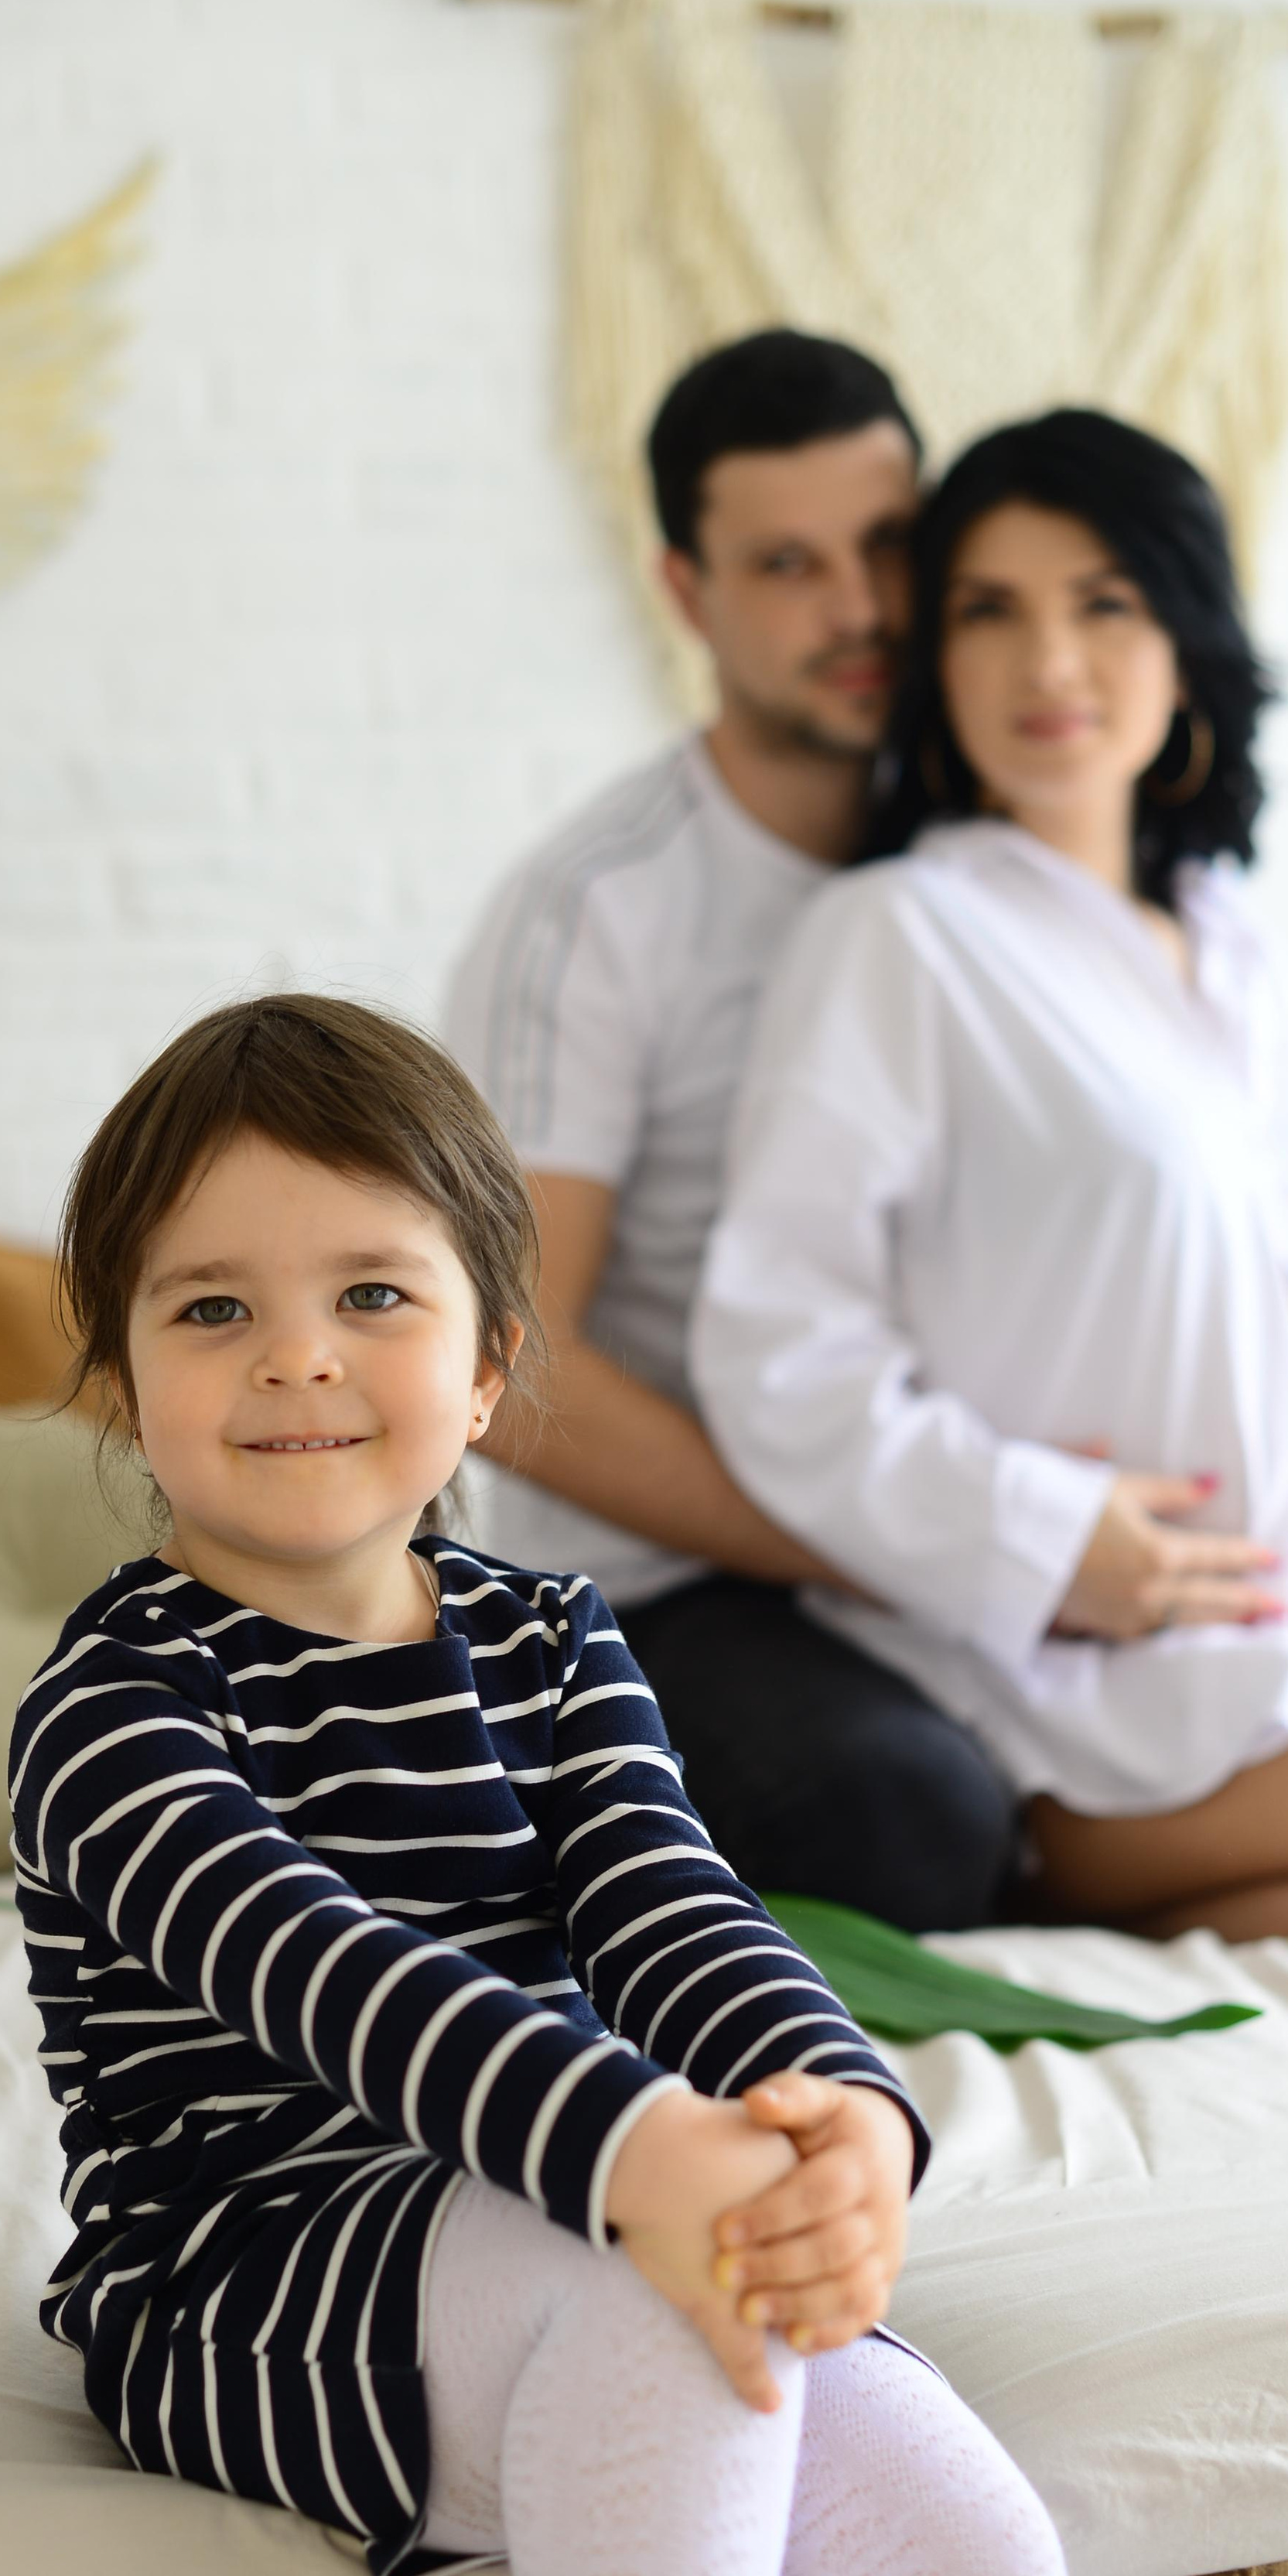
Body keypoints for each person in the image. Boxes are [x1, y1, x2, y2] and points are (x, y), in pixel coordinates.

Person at [11, 994, 1081, 2576]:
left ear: (492, 1367)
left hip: (597, 2210)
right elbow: (320, 1968)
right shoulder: (109, 1705)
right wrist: (641, 2154)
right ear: (115, 1383)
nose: (293, 1361)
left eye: (371, 1296)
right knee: (670, 2285)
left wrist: (834, 2112)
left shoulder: (551, 1636)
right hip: (257, 2270)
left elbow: (666, 1901)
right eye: (207, 1311)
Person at [695, 409, 1288, 1943]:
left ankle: (1215, 1916)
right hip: (1120, 1696)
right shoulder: (896, 940)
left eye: (1101, 602)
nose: (1044, 662)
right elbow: (775, 1350)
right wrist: (1040, 1536)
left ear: (1184, 634)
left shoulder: (1229, 946)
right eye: (985, 611)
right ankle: (1108, 1870)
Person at [447, 330, 1019, 1936]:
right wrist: (864, 1542)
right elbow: (511, 1368)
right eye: (784, 565)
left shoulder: (1002, 851)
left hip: (945, 1512)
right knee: (907, 1814)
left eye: (888, 547)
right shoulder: (600, 910)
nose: (858, 609)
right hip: (677, 1582)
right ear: (686, 596)